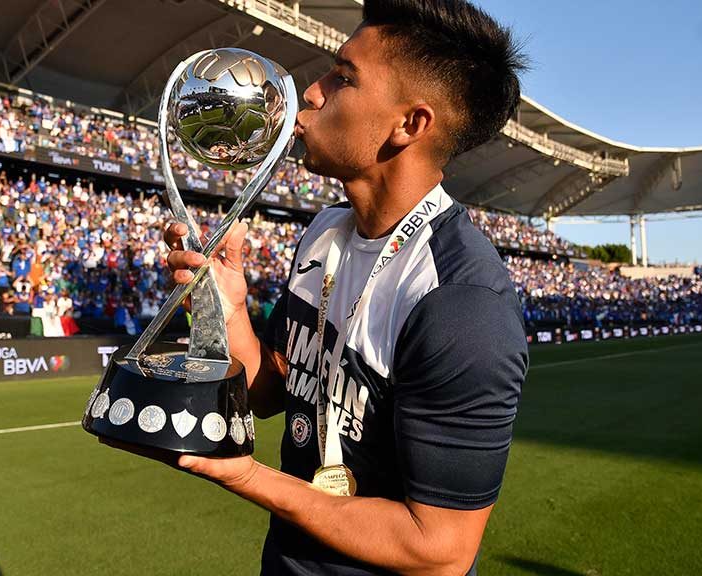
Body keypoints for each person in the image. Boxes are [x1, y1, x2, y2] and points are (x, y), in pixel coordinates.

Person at [143, 2, 529, 575]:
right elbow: (274, 392)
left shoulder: (461, 303)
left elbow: (439, 549)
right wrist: (222, 314)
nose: (314, 93)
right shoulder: (324, 230)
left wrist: (246, 474)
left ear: (410, 125)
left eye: (343, 77)